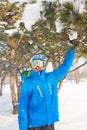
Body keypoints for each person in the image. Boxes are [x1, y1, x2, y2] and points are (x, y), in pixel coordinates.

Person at [18, 38, 77, 130]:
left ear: (44, 65)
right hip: (33, 126)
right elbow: (22, 108)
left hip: (49, 124)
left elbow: (65, 66)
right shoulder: (27, 84)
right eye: (34, 64)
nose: (37, 66)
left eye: (39, 63)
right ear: (31, 66)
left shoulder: (51, 78)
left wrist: (72, 49)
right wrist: (23, 128)